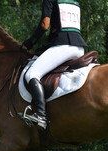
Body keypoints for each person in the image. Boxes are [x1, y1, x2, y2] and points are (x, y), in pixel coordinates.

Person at [23, 0, 88, 130]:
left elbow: (44, 25)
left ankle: (41, 115)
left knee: (32, 74)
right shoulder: (74, 1)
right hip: (79, 48)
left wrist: (30, 43)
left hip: (64, 46)